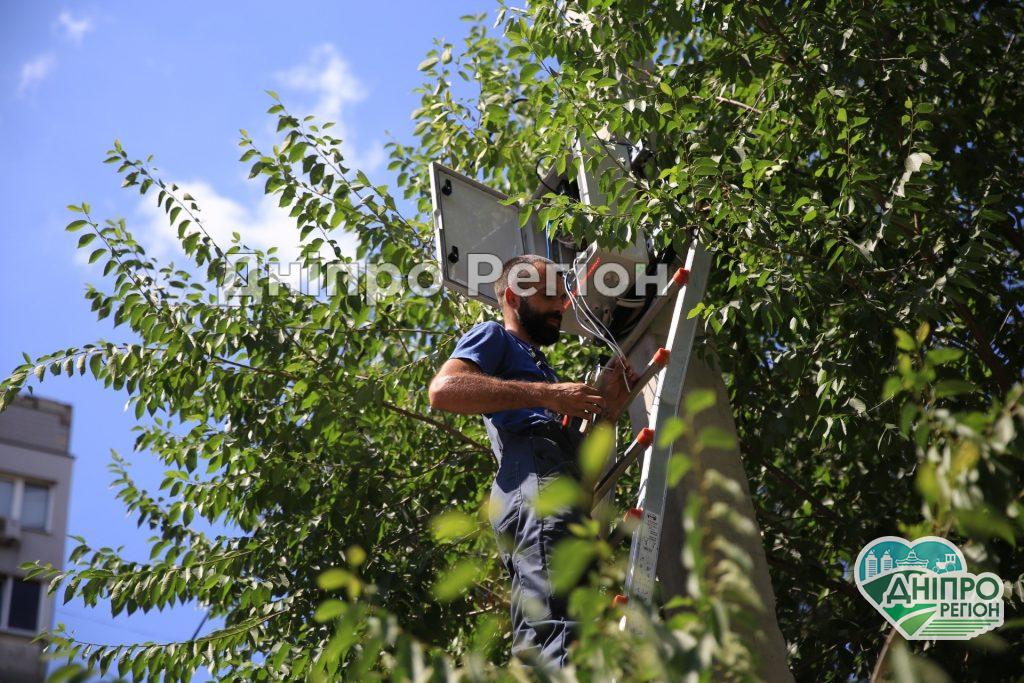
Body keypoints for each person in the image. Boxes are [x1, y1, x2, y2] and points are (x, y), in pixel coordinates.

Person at [428, 254, 636, 668]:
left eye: (563, 298)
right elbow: (444, 390)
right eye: (548, 296)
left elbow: (584, 473)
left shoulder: (542, 369)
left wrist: (609, 411)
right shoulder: (494, 336)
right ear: (511, 296)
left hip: (557, 484)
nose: (561, 306)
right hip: (533, 478)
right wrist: (549, 396)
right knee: (555, 628)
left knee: (565, 621)